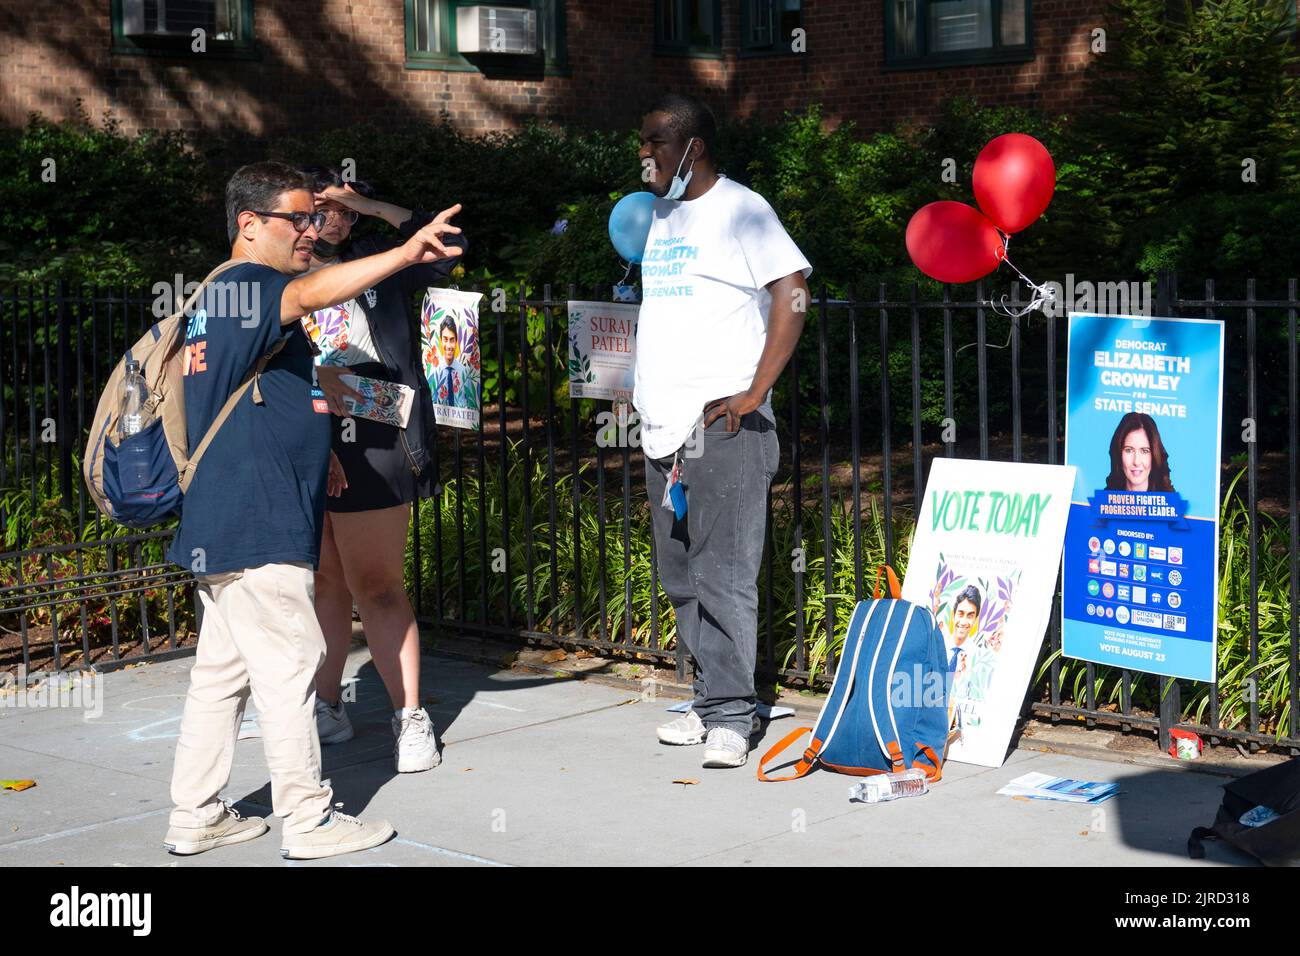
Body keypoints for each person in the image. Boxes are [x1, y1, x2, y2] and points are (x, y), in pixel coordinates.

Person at [162, 161, 461, 859]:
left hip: (222, 516)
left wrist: (320, 440)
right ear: (249, 224)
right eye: (295, 218)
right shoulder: (251, 286)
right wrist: (403, 250)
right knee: (291, 665)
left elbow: (276, 391)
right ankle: (310, 818)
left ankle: (195, 815)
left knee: (221, 676)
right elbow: (312, 293)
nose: (310, 230)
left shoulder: (211, 295)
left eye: (311, 217)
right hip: (258, 515)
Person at [635, 93, 811, 769]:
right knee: (680, 573)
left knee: (726, 570)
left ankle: (734, 716)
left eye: (654, 141)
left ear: (693, 148)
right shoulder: (661, 214)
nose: (643, 153)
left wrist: (757, 389)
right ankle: (709, 698)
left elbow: (793, 290)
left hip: (724, 421)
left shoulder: (743, 207)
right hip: (663, 424)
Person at [296, 165, 465, 774]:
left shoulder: (380, 256)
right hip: (308, 434)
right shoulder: (285, 268)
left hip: (375, 434)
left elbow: (446, 246)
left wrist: (367, 205)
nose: (331, 218)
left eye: (342, 207)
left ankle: (410, 716)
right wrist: (321, 441)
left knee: (377, 583)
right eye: (319, 207)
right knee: (325, 583)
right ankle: (327, 704)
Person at [1104, 411, 1174, 493]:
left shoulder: (1172, 504)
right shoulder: (1103, 503)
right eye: (1129, 450)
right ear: (1118, 454)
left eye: (1145, 451)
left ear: (1155, 455)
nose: (1136, 462)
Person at [431, 314, 472, 408]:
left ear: (456, 341)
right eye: (445, 340)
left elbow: (470, 403)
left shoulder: (464, 372)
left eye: (452, 340)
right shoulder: (434, 372)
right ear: (440, 340)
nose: (449, 345)